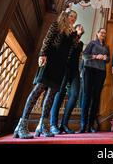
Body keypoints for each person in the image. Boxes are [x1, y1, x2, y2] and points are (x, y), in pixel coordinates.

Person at [13, 9, 78, 139]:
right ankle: (22, 124)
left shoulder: (72, 33)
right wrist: (42, 54)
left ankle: (43, 125)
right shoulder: (56, 25)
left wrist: (75, 36)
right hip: (50, 60)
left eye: (75, 17)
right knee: (38, 90)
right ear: (65, 16)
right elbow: (47, 40)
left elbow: (70, 51)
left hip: (60, 66)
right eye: (71, 16)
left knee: (51, 95)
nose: (73, 19)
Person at [49, 24, 85, 134]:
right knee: (60, 93)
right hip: (64, 67)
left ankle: (64, 124)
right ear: (74, 29)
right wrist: (75, 35)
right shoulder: (68, 37)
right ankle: (53, 124)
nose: (81, 29)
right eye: (79, 27)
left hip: (74, 70)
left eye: (82, 29)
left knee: (74, 95)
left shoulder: (80, 43)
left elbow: (77, 54)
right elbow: (68, 49)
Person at [77, 28, 110, 133]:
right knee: (86, 96)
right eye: (101, 32)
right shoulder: (92, 43)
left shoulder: (106, 46)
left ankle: (91, 125)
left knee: (96, 98)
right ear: (97, 33)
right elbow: (84, 55)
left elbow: (108, 59)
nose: (103, 34)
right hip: (89, 70)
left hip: (101, 72)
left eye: (105, 33)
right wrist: (95, 56)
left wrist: (105, 57)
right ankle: (83, 125)